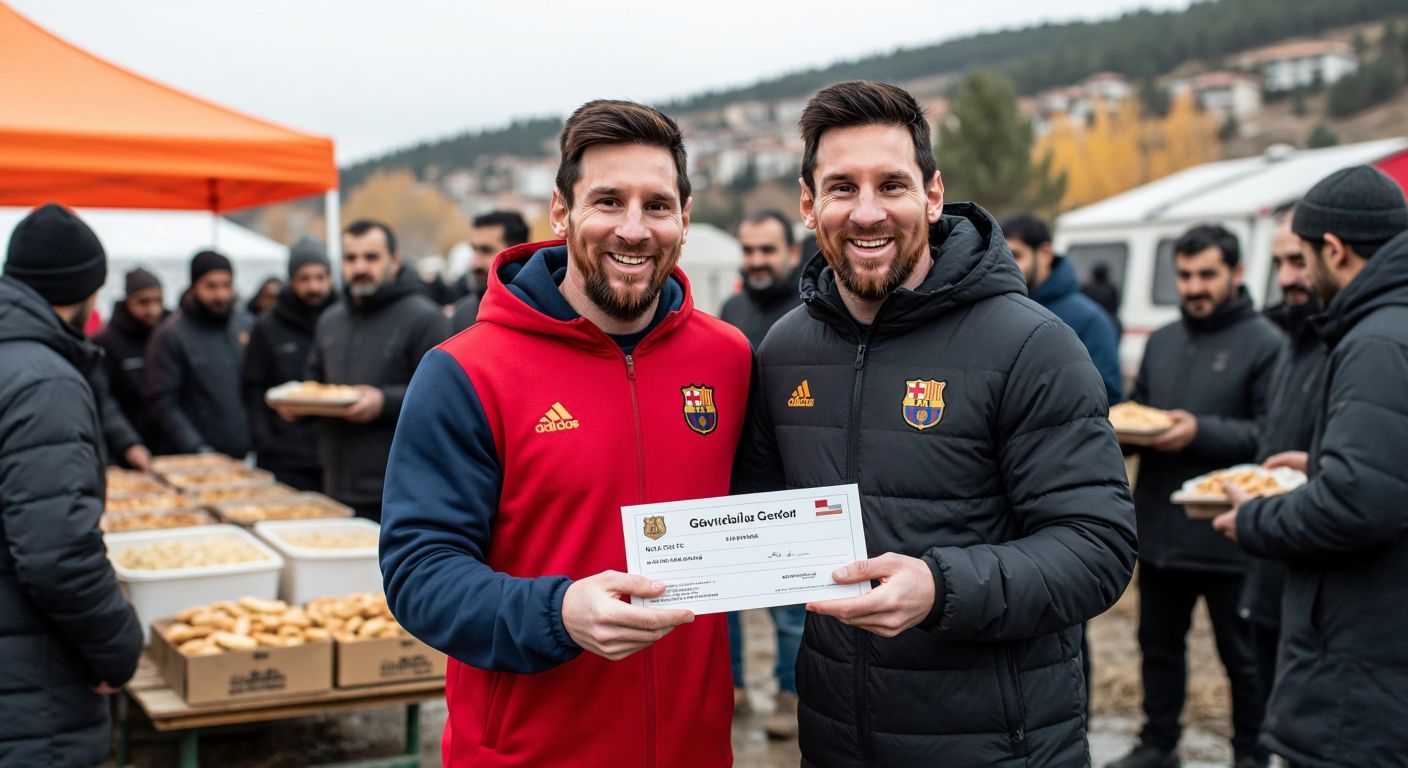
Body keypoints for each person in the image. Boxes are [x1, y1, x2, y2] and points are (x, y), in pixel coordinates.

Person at [731, 80, 1137, 767]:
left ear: (933, 193)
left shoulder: (1031, 346)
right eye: (840, 188)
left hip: (999, 747)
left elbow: (1097, 548)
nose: (866, 213)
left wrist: (941, 588)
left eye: (891, 185)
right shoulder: (784, 350)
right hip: (834, 740)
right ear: (808, 204)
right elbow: (762, 523)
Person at [381, 99, 751, 768]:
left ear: (685, 220)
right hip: (528, 753)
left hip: (695, 750)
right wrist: (558, 613)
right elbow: (417, 575)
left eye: (657, 206)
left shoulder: (728, 358)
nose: (634, 229)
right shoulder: (466, 371)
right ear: (561, 212)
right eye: (608, 201)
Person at [1214, 164, 1408, 767]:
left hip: (1366, 660)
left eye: (1303, 255)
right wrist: (1321, 461)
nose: (1296, 275)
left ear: (1334, 249)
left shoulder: (1377, 340)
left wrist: (1257, 519)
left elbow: (1356, 503)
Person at [1109, 224, 1282, 768]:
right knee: (1158, 648)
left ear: (1236, 273)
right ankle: (1159, 744)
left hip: (1234, 533)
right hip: (1160, 529)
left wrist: (1198, 432)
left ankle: (1251, 752)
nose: (1195, 287)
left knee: (1243, 659)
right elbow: (1141, 413)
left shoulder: (1267, 344)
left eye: (1207, 274)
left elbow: (1270, 435)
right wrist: (1123, 434)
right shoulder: (1161, 342)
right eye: (1185, 276)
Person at [0, 203, 145, 765]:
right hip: (29, 683)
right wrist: (118, 650)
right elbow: (57, 552)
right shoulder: (43, 381)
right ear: (85, 290)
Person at [1232, 210, 1326, 764]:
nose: (1288, 278)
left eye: (1300, 261)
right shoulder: (1292, 337)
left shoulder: (1360, 346)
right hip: (1272, 570)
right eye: (1279, 263)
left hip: (1323, 585)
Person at [717, 209, 805, 738]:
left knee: (790, 608)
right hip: (731, 479)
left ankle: (788, 695)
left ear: (792, 253)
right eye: (748, 251)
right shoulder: (730, 306)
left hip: (792, 482)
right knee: (721, 602)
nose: (756, 262)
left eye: (767, 251)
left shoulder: (813, 308)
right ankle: (732, 688)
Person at [307, 220, 446, 520]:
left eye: (371, 257)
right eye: (350, 258)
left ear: (394, 261)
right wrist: (298, 404)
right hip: (335, 485)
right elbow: (316, 381)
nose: (359, 267)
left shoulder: (424, 318)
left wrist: (383, 402)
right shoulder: (330, 319)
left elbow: (444, 398)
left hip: (400, 493)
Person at [243, 238, 334, 490]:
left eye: (320, 277)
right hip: (286, 456)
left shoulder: (342, 320)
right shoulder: (267, 326)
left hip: (336, 454)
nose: (313, 286)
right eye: (305, 278)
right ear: (292, 280)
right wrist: (265, 442)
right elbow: (253, 387)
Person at [1002, 212, 1123, 404]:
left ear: (1045, 254)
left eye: (1016, 255)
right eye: (1002, 256)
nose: (1007, 265)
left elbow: (1108, 393)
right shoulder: (1000, 312)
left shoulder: (1090, 319)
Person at [145, 250, 251, 457]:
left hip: (244, 454)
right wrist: (196, 447)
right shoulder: (170, 334)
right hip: (194, 460)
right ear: (194, 287)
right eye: (211, 286)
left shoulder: (245, 325)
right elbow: (162, 401)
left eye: (226, 285)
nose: (220, 295)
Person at [94, 268, 169, 461]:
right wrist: (127, 442)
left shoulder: (169, 336)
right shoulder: (106, 342)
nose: (152, 310)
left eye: (158, 301)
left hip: (167, 444)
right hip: (125, 450)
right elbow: (103, 399)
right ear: (128, 301)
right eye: (143, 302)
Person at [449, 210, 531, 333]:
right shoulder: (462, 314)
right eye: (474, 250)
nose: (474, 264)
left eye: (486, 250)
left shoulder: (544, 313)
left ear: (517, 252)